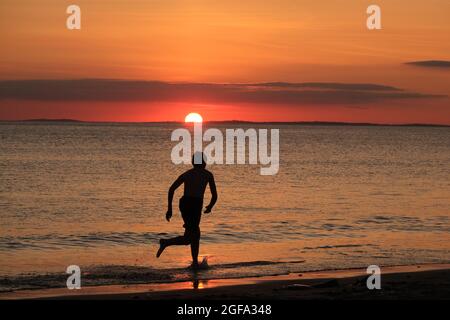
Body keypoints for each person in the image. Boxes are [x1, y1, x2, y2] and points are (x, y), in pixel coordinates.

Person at [156, 152, 217, 269]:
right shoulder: (208, 175)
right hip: (193, 205)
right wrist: (210, 206)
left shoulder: (187, 174)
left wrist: (170, 209)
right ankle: (166, 243)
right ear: (204, 162)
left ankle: (195, 263)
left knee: (194, 235)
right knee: (190, 237)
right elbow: (214, 195)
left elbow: (171, 189)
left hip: (186, 204)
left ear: (193, 162)